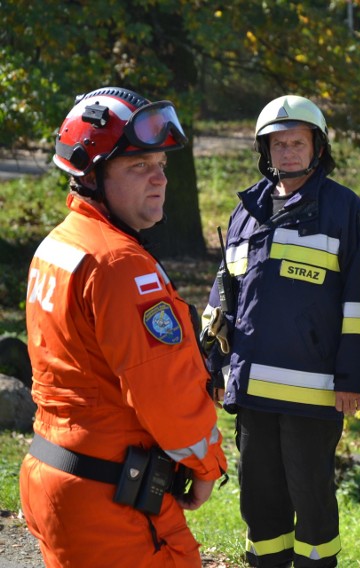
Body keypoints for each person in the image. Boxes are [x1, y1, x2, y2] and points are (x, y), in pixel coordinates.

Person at [20, 87, 228, 567]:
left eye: (161, 165)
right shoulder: (119, 264)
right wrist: (207, 464)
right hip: (109, 498)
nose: (158, 180)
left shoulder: (59, 245)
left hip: (60, 475)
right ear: (91, 175)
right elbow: (166, 392)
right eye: (138, 167)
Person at [201, 94, 360, 567]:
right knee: (259, 503)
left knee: (313, 503)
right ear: (265, 151)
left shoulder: (345, 211)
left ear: (317, 148)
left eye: (297, 142)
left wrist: (352, 377)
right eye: (277, 144)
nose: (287, 152)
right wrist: (214, 366)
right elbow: (223, 296)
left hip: (314, 395)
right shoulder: (246, 211)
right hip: (251, 390)